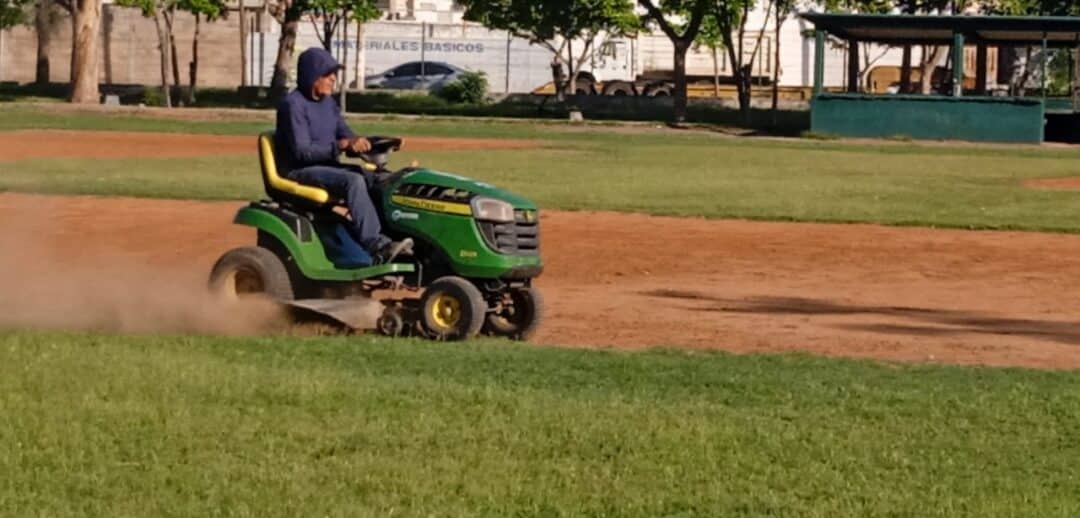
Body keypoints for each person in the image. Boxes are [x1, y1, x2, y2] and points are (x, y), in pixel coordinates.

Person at [275, 47, 411, 263]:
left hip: (326, 166)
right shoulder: (293, 105)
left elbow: (347, 135)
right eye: (327, 75)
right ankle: (376, 244)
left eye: (334, 75)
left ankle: (394, 236)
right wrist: (341, 145)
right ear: (312, 76)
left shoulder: (328, 104)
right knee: (354, 181)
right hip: (298, 170)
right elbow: (302, 152)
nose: (333, 80)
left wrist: (375, 143)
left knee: (381, 179)